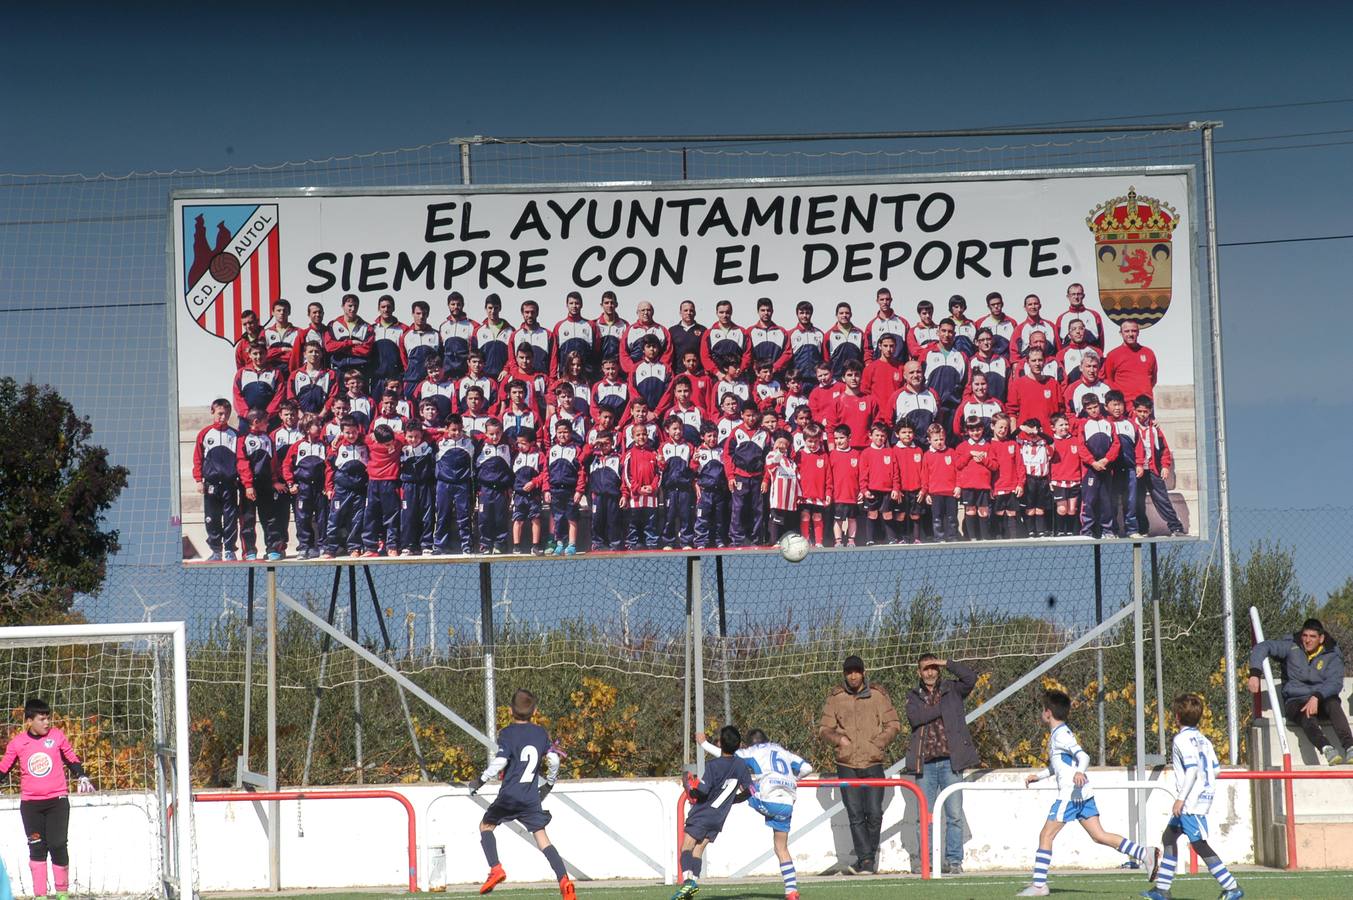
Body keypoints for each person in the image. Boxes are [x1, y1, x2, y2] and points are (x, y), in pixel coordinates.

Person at [1017, 690, 1159, 897]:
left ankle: (1039, 885)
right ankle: (1144, 853)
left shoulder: (1062, 735)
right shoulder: (1060, 733)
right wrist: (1038, 776)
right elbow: (1059, 766)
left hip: (1070, 795)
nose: (1041, 712)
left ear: (1048, 712)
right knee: (1099, 835)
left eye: (1042, 709)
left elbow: (1083, 757)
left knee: (1045, 835)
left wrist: (1079, 772)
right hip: (1083, 794)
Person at [469, 689, 575, 900]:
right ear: (534, 711)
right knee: (543, 839)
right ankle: (564, 880)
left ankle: (496, 868)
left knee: (486, 826)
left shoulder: (507, 733)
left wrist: (480, 780)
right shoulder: (540, 733)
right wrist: (550, 782)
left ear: (510, 711)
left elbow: (500, 761)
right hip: (530, 798)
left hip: (509, 794)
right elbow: (554, 760)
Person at [1143, 694, 1243, 900]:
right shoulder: (1204, 740)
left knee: (1198, 844)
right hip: (1199, 797)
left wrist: (1181, 798)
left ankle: (1232, 887)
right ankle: (1162, 889)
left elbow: (1191, 771)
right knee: (1169, 837)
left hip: (1190, 801)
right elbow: (1215, 770)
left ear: (1177, 716)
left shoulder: (1180, 739)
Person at [696, 728, 813, 900]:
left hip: (767, 799)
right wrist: (794, 780)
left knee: (745, 784)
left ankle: (718, 809)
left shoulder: (752, 752)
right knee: (781, 847)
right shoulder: (782, 750)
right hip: (787, 802)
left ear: (750, 743)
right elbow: (807, 768)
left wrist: (704, 743)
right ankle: (792, 891)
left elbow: (727, 755)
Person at [1, 698, 96, 899]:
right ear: (29, 720)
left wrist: (82, 775)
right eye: (41, 719)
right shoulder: (18, 743)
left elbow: (71, 757)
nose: (46, 723)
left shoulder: (57, 737)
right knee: (37, 848)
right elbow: (4, 767)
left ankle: (62, 893)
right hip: (31, 806)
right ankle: (40, 895)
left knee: (58, 844)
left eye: (48, 718)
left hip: (57, 802)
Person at [817, 654, 901, 875]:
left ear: (863, 672)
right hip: (846, 764)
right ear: (844, 674)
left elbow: (893, 724)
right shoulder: (836, 698)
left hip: (873, 762)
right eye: (849, 672)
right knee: (855, 813)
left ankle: (866, 858)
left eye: (856, 671)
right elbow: (824, 729)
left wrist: (879, 743)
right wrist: (839, 740)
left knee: (874, 813)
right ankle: (866, 862)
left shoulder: (877, 696)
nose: (853, 676)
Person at [905, 655, 978, 875]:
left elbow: (971, 678)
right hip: (925, 765)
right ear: (919, 672)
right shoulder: (913, 696)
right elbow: (915, 718)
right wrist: (942, 709)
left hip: (951, 762)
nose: (930, 673)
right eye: (925, 669)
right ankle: (926, 862)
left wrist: (948, 663)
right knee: (924, 817)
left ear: (939, 670)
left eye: (933, 668)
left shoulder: (953, 690)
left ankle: (954, 861)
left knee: (954, 814)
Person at [1248, 617, 1352, 764]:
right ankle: (1326, 748)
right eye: (1305, 635)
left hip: (1320, 699)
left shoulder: (1332, 653)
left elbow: (1335, 683)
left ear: (1321, 638)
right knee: (1306, 715)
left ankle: (1350, 747)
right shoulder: (1292, 646)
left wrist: (1316, 697)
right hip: (1296, 700)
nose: (1307, 640)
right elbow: (1262, 647)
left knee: (1333, 703)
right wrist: (1254, 674)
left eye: (1312, 637)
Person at [673, 725, 754, 900]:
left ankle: (688, 883)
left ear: (720, 744)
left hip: (702, 813)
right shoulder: (741, 765)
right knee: (699, 849)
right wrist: (734, 800)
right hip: (719, 817)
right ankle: (692, 884)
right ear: (738, 746)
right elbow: (750, 790)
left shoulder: (712, 765)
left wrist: (689, 790)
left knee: (686, 847)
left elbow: (701, 793)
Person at [1131, 396, 1186, 536]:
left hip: (1152, 469)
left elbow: (1164, 449)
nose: (1142, 414)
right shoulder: (1130, 426)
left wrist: (1165, 466)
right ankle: (1141, 529)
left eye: (1145, 411)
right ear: (1134, 410)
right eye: (1139, 411)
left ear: (1150, 412)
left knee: (1162, 499)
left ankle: (1176, 527)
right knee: (1137, 500)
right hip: (1137, 470)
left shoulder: (1155, 429)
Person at [237, 410, 286, 561]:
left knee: (270, 518)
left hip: (266, 485)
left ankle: (272, 548)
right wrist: (248, 485)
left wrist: (274, 481)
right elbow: (242, 463)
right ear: (256, 422)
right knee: (248, 519)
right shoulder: (243, 439)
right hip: (250, 486)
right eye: (266, 421)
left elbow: (273, 462)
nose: (269, 424)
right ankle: (249, 551)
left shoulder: (267, 439)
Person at [283, 414, 330, 559]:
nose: (320, 427)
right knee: (302, 518)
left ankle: (322, 545)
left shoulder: (324, 445)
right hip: (303, 488)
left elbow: (329, 467)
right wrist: (291, 483)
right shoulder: (297, 446)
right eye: (317, 424)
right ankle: (305, 547)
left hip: (320, 488)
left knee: (322, 517)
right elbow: (286, 465)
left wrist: (328, 487)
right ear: (308, 428)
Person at [321, 415, 369, 559]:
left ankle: (354, 547)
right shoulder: (336, 447)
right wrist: (329, 488)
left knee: (357, 519)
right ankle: (330, 548)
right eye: (347, 433)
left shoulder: (365, 444)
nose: (351, 435)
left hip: (359, 489)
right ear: (342, 432)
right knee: (335, 518)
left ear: (358, 430)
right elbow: (329, 468)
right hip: (341, 489)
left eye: (354, 432)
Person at [724, 400, 769, 547]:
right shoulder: (736, 432)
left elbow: (769, 458)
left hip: (757, 479)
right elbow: (727, 455)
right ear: (742, 415)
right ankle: (736, 541)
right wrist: (730, 476)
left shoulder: (764, 434)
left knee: (757, 510)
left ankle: (755, 540)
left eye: (753, 415)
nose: (751, 418)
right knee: (738, 509)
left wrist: (766, 479)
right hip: (740, 477)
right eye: (748, 415)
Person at [545, 420, 585, 556]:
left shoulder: (576, 450)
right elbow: (546, 472)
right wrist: (546, 489)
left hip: (570, 490)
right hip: (555, 490)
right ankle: (560, 543)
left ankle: (572, 544)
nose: (562, 435)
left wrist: (579, 490)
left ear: (571, 433)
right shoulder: (552, 451)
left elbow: (581, 473)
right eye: (559, 432)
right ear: (555, 434)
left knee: (571, 517)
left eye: (566, 432)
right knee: (558, 518)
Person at [475, 419, 513, 554]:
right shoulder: (481, 447)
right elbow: (475, 467)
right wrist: (477, 488)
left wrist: (509, 486)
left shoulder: (507, 447)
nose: (494, 437)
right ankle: (485, 544)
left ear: (502, 432)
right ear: (485, 433)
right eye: (491, 434)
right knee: (484, 518)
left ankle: (500, 544)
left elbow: (511, 468)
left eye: (497, 433)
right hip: (485, 490)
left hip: (501, 490)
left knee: (500, 517)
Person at [622, 421, 661, 550]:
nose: (641, 437)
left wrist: (653, 487)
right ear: (633, 437)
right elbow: (627, 476)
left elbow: (659, 473)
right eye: (638, 435)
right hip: (635, 498)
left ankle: (651, 543)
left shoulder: (654, 453)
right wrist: (638, 488)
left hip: (651, 496)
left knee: (650, 522)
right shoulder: (629, 454)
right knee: (633, 522)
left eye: (644, 434)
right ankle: (632, 543)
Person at [582, 430, 624, 552]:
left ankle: (615, 543)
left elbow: (624, 478)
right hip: (597, 495)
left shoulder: (618, 458)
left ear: (613, 443)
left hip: (613, 495)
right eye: (601, 444)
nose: (604, 446)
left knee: (613, 520)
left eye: (607, 443)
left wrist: (624, 495)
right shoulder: (592, 458)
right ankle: (597, 544)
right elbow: (581, 458)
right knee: (597, 521)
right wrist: (593, 444)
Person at [659, 416, 697, 550]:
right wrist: (661, 462)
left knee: (685, 515)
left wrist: (695, 461)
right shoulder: (664, 447)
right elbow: (661, 468)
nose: (677, 432)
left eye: (680, 429)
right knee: (669, 515)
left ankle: (686, 541)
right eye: (674, 429)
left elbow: (692, 467)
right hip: (669, 488)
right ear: (667, 430)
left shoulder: (689, 447)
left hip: (685, 488)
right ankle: (668, 542)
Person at [1103, 320, 1159, 405]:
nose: (1130, 334)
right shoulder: (1113, 355)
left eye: (1134, 331)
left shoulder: (1148, 353)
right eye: (1126, 331)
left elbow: (1153, 379)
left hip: (1146, 404)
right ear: (1121, 333)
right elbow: (1109, 379)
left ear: (1138, 333)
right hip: (1125, 404)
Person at [921, 422, 959, 542]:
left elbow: (958, 470)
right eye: (936, 439)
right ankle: (939, 537)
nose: (939, 442)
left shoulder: (951, 452)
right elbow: (924, 475)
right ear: (929, 440)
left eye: (941, 439)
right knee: (937, 518)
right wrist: (926, 493)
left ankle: (952, 537)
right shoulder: (927, 455)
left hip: (950, 492)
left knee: (952, 517)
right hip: (935, 493)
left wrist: (958, 486)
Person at [323, 293, 374, 379]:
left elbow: (366, 350)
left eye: (356, 306)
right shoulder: (333, 325)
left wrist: (340, 349)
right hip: (339, 370)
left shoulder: (367, 327)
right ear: (342, 306)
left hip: (360, 370)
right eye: (350, 306)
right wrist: (351, 343)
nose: (353, 309)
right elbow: (329, 347)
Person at [551, 290, 598, 377]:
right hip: (565, 374)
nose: (574, 306)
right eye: (571, 303)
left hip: (586, 375)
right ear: (567, 305)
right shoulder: (559, 326)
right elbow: (554, 354)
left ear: (581, 305)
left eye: (577, 303)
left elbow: (596, 352)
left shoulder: (591, 325)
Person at [700, 299, 751, 375]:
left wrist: (740, 370)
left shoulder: (742, 332)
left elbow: (747, 354)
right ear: (716, 313)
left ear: (731, 312)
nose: (724, 315)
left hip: (738, 375)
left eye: (727, 312)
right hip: (716, 377)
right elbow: (705, 357)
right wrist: (717, 373)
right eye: (721, 312)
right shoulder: (709, 333)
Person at [472, 293, 514, 380]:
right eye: (490, 308)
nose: (493, 311)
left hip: (503, 376)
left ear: (500, 308)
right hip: (484, 377)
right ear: (485, 308)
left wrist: (506, 369)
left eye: (496, 308)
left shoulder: (510, 330)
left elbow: (513, 356)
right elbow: (472, 355)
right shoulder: (478, 331)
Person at [865, 286, 909, 364]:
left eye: (887, 299)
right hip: (879, 367)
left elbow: (908, 348)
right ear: (877, 301)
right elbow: (868, 349)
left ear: (891, 300)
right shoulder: (871, 325)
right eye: (882, 299)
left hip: (899, 366)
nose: (885, 302)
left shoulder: (902, 322)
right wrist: (869, 364)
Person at [1055, 282, 1104, 350]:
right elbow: (1058, 343)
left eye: (1079, 294)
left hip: (1091, 356)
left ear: (1083, 295)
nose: (1076, 297)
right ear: (1068, 297)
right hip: (1070, 357)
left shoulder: (1094, 315)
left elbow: (1101, 339)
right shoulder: (1062, 318)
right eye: (1073, 294)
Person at [825, 301, 866, 377]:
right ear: (836, 315)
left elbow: (865, 355)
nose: (844, 315)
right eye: (841, 313)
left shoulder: (859, 333)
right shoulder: (829, 335)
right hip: (837, 378)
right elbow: (826, 359)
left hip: (855, 377)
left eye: (847, 313)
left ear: (851, 314)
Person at [670, 299, 706, 372]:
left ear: (695, 313)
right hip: (678, 373)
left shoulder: (703, 330)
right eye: (685, 310)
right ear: (680, 313)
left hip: (698, 373)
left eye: (691, 310)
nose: (688, 313)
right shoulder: (672, 331)